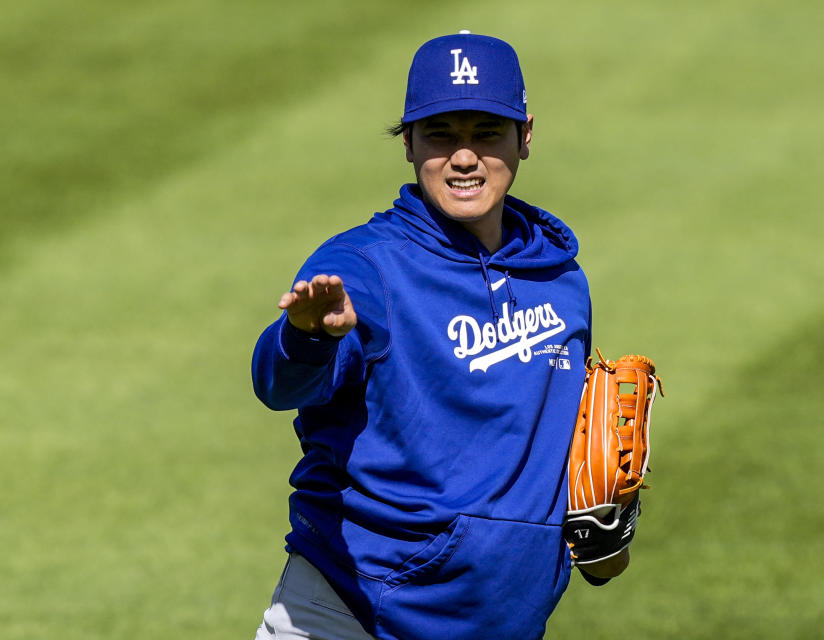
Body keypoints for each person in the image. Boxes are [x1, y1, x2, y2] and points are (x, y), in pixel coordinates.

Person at [251, 31, 626, 640]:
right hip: (347, 614)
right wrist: (308, 337)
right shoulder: (366, 268)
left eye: (486, 133)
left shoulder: (561, 283)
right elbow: (278, 384)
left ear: (526, 135)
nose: (464, 156)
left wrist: (592, 523)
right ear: (408, 142)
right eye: (441, 134)